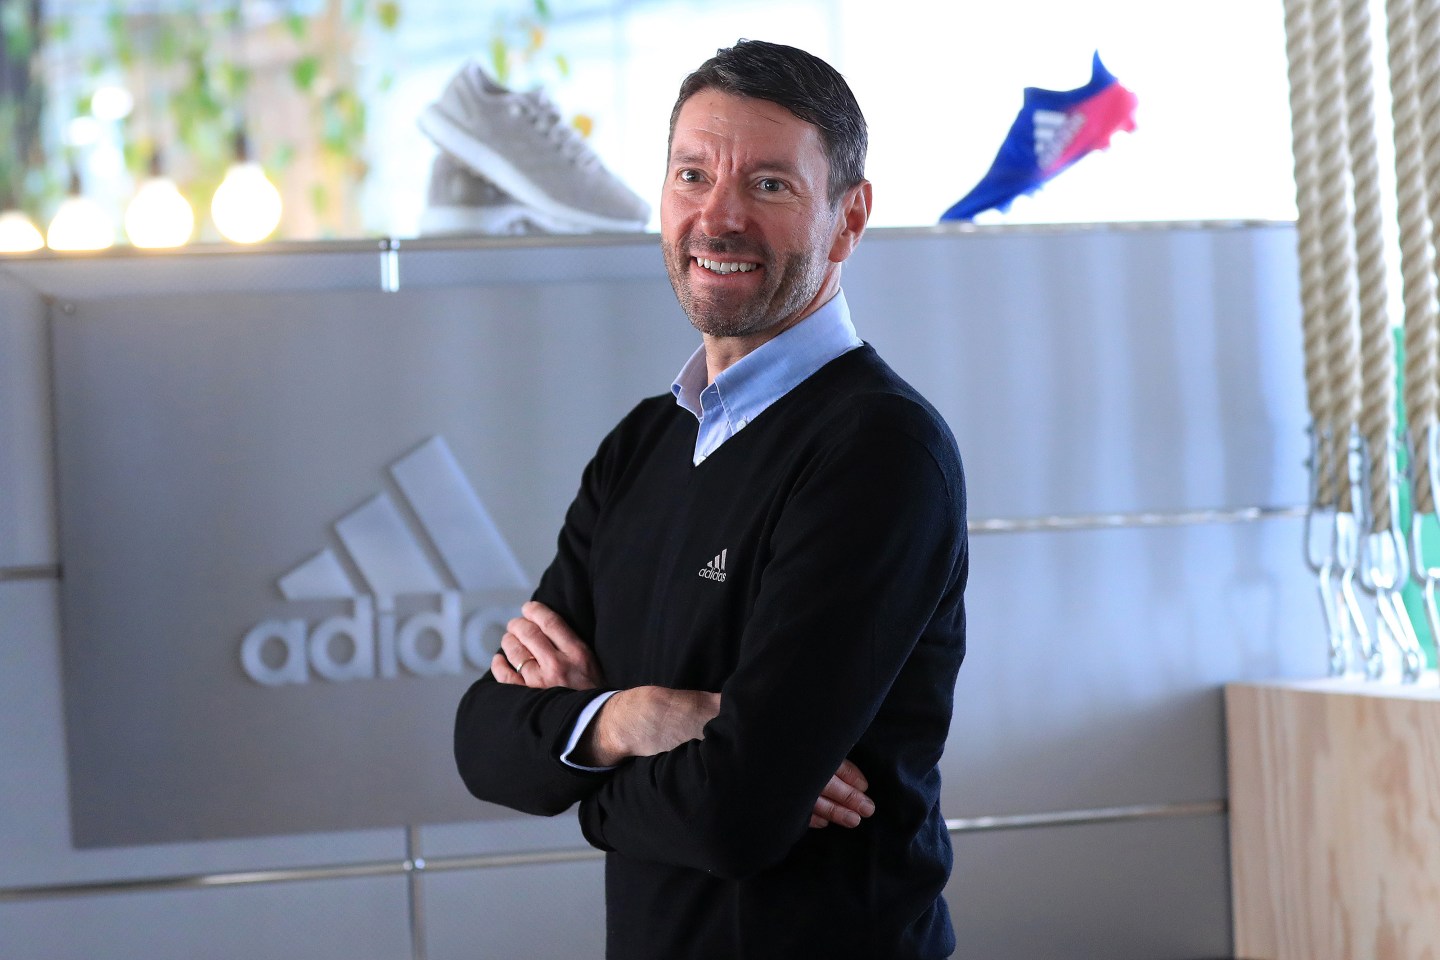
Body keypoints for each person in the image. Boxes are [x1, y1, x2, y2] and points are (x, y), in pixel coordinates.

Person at [454, 38, 968, 960]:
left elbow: (734, 815)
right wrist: (636, 718)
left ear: (848, 219)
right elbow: (486, 742)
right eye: (693, 175)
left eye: (770, 185)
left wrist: (582, 770)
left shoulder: (878, 452)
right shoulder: (643, 445)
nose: (718, 218)